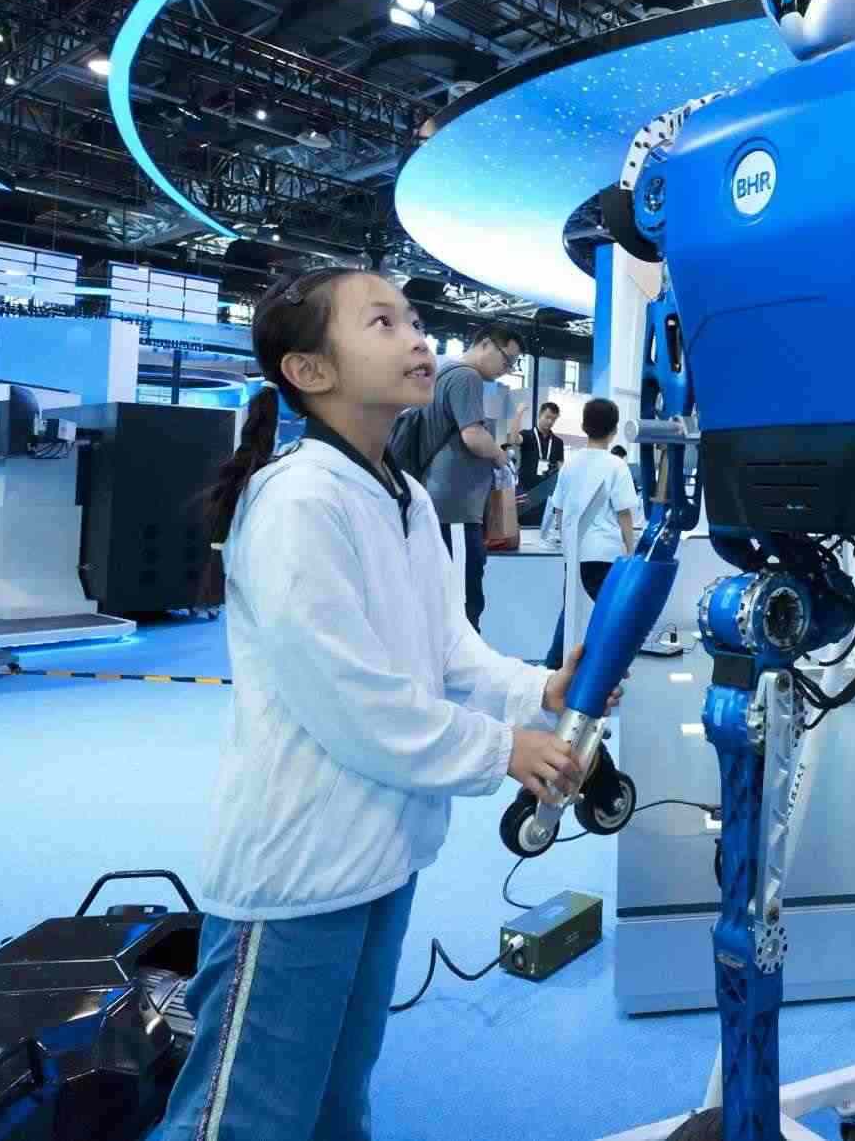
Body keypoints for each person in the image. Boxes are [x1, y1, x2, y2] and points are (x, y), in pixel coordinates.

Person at [155, 268, 609, 1141]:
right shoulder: (298, 500)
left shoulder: (402, 496)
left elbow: (448, 649)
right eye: (382, 323)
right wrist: (503, 750)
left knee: (336, 1103)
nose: (418, 339)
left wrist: (536, 690)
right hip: (296, 873)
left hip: (380, 858)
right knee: (248, 1117)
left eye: (413, 320)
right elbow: (352, 697)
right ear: (309, 370)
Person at [420, 323, 523, 630]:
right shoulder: (467, 377)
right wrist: (499, 456)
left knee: (446, 603)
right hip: (455, 511)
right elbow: (473, 436)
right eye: (507, 359)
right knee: (464, 606)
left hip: (443, 505)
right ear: (486, 344)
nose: (507, 369)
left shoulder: (445, 374)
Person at [542, 398, 640, 670]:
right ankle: (602, 670)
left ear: (584, 426)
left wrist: (566, 542)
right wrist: (631, 549)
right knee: (609, 614)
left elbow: (559, 509)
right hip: (606, 553)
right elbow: (624, 513)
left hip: (575, 552)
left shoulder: (570, 464)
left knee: (572, 610)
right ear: (614, 430)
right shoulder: (616, 466)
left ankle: (554, 667)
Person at [517, 401, 566, 494]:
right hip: (525, 490)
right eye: (547, 417)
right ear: (539, 415)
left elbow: (561, 467)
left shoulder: (558, 442)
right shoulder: (527, 435)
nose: (550, 421)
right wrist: (519, 414)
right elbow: (513, 439)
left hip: (546, 492)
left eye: (553, 419)